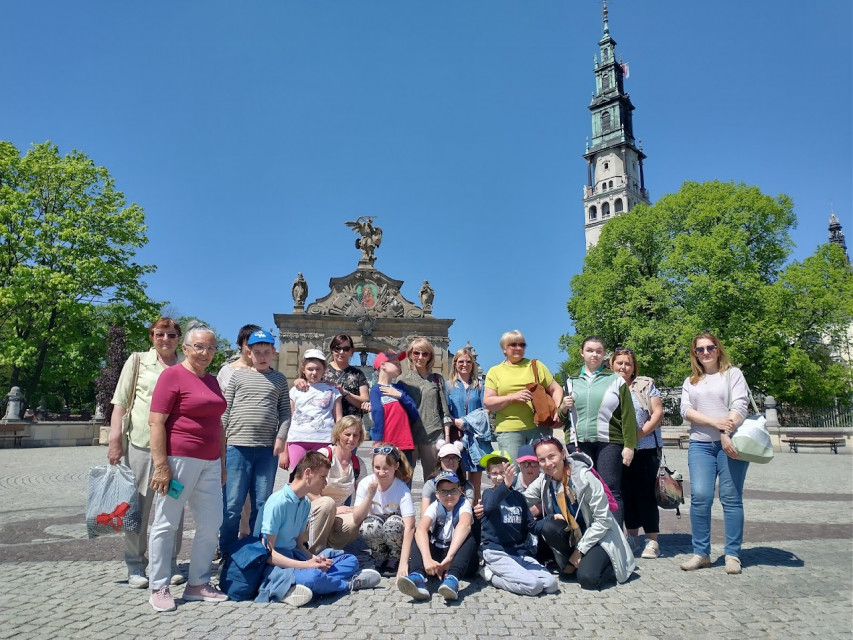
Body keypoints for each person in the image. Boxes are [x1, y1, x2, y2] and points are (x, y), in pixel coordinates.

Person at [146, 322, 229, 612]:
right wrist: (160, 466)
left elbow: (217, 424)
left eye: (210, 347)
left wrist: (221, 463)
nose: (205, 352)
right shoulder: (172, 376)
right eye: (199, 347)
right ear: (185, 349)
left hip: (209, 461)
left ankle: (198, 583)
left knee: (210, 523)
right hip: (178, 460)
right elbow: (156, 421)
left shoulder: (212, 380)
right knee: (166, 522)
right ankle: (159, 585)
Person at [108, 317, 185, 589]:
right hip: (141, 444)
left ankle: (169, 562)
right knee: (138, 507)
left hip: (177, 448)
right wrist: (115, 439)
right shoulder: (138, 361)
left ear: (179, 338)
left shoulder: (184, 364)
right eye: (160, 334)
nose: (166, 339)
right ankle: (135, 564)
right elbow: (120, 400)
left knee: (173, 506)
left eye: (172, 335)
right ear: (152, 335)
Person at [255, 451, 381, 607]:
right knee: (314, 576)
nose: (325, 482)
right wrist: (307, 565)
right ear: (308, 473)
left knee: (350, 560)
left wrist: (313, 559)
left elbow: (299, 545)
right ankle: (348, 584)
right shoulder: (277, 502)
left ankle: (301, 587)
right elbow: (269, 555)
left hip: (296, 557)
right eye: (322, 477)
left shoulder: (305, 503)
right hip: (277, 566)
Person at [679, 333, 749, 575]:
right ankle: (701, 553)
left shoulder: (733, 374)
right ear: (695, 354)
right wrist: (717, 425)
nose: (705, 352)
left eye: (710, 347)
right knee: (700, 497)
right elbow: (686, 410)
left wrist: (726, 432)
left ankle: (732, 554)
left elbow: (740, 406)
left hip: (731, 444)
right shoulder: (691, 381)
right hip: (700, 445)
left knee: (731, 498)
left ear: (718, 349)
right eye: (700, 349)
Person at [526, 436, 636, 590]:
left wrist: (580, 551)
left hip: (599, 537)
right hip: (575, 536)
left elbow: (603, 521)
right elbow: (522, 500)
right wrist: (501, 493)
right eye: (542, 460)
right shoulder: (545, 480)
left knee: (588, 579)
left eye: (552, 456)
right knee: (549, 526)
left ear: (563, 454)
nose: (548, 464)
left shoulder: (585, 478)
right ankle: (575, 562)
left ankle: (614, 563)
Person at [219, 329, 289, 552]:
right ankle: (228, 550)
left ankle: (256, 549)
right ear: (249, 352)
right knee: (232, 504)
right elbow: (226, 411)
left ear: (273, 352)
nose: (262, 356)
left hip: (266, 450)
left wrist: (280, 438)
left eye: (266, 352)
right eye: (257, 352)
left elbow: (286, 413)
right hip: (237, 448)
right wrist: (222, 441)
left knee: (261, 503)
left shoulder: (279, 379)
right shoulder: (237, 376)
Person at [559, 336, 637, 527]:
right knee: (583, 490)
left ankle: (616, 541)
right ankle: (588, 537)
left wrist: (629, 446)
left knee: (611, 489)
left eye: (599, 351)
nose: (594, 354)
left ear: (604, 355)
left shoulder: (616, 380)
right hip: (579, 442)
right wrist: (562, 408)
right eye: (590, 350)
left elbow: (628, 415)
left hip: (609, 442)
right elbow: (562, 420)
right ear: (582, 353)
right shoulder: (570, 381)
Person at [479, 451, 558, 597]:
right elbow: (489, 507)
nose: (498, 477)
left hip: (518, 553)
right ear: (488, 474)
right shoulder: (488, 494)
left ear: (510, 472)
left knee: (551, 585)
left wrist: (552, 518)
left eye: (502, 472)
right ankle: (491, 577)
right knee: (534, 586)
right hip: (496, 552)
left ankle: (516, 572)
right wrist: (506, 485)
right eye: (494, 473)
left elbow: (532, 527)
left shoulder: (518, 497)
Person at [610, 347, 664, 559]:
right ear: (612, 365)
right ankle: (632, 536)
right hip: (618, 448)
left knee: (645, 494)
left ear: (634, 367)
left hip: (645, 447)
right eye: (619, 363)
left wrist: (639, 435)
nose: (623, 367)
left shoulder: (645, 384)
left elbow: (658, 412)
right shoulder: (608, 386)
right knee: (625, 493)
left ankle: (652, 540)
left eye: (627, 364)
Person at [483, 330, 563, 465]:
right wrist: (512, 397)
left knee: (544, 470)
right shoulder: (495, 371)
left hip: (539, 428)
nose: (518, 348)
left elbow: (556, 389)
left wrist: (557, 410)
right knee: (513, 473)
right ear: (504, 349)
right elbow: (488, 401)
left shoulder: (536, 366)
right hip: (509, 430)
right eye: (513, 345)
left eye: (522, 345)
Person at [397, 471, 478, 601]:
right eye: (444, 492)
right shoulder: (435, 506)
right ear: (437, 495)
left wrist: (450, 558)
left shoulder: (464, 504)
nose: (449, 495)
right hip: (438, 557)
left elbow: (464, 525)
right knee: (419, 534)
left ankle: (452, 579)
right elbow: (422, 529)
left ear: (460, 490)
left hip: (460, 560)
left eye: (453, 490)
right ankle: (417, 576)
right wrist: (427, 559)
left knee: (469, 538)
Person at [307, 416, 373, 553]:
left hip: (339, 514)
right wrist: (335, 509)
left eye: (356, 435)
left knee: (356, 520)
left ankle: (332, 549)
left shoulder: (358, 464)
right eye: (347, 434)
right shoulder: (324, 455)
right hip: (314, 510)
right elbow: (307, 488)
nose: (351, 439)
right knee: (327, 504)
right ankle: (315, 552)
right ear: (338, 434)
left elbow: (364, 495)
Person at [355, 443, 416, 578]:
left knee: (392, 524)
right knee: (368, 526)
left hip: (394, 530)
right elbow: (357, 519)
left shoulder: (401, 489)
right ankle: (379, 555)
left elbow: (410, 526)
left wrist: (404, 563)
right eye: (377, 468)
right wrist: (370, 495)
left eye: (386, 468)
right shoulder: (365, 483)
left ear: (396, 466)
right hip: (377, 528)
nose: (381, 473)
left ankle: (396, 557)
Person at [398, 338, 454, 486]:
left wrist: (447, 437)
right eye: (416, 353)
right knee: (405, 479)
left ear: (430, 356)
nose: (420, 357)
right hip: (409, 436)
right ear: (410, 354)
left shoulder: (437, 379)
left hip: (433, 435)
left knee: (434, 479)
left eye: (425, 354)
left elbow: (444, 411)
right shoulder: (402, 380)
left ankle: (433, 509)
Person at [276, 348, 343, 471]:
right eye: (310, 369)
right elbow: (288, 420)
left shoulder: (333, 390)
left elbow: (339, 419)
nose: (314, 372)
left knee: (320, 477)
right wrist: (283, 452)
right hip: (297, 439)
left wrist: (339, 443)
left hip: (324, 440)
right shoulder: (295, 390)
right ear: (303, 369)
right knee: (297, 476)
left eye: (318, 369)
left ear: (324, 369)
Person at [446, 347, 492, 504]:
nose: (464, 364)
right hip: (456, 438)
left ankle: (474, 518)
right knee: (456, 481)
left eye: (468, 361)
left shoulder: (480, 385)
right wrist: (455, 421)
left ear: (473, 364)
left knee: (475, 485)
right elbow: (444, 411)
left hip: (475, 439)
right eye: (461, 361)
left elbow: (486, 408)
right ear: (455, 364)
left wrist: (470, 421)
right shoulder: (448, 386)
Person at [369, 350, 419, 467]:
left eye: (399, 363)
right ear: (383, 366)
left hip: (405, 442)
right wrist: (377, 439)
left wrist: (400, 396)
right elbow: (377, 413)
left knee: (406, 479)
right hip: (387, 443)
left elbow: (414, 413)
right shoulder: (376, 390)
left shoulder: (400, 388)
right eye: (395, 363)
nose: (399, 365)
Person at [419, 440, 475, 513]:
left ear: (459, 461)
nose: (451, 461)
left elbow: (468, 513)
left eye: (454, 458)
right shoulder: (430, 484)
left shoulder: (467, 486)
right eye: (446, 458)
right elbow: (424, 513)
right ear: (440, 460)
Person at [322, 333, 370, 418]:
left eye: (346, 349)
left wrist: (344, 392)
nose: (341, 352)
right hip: (326, 424)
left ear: (351, 351)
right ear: (332, 350)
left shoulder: (358, 374)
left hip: (351, 425)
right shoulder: (321, 371)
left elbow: (365, 401)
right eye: (337, 348)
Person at [216, 324, 261, 394]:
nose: (253, 348)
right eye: (249, 344)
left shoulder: (266, 370)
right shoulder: (226, 372)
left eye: (257, 344)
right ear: (239, 345)